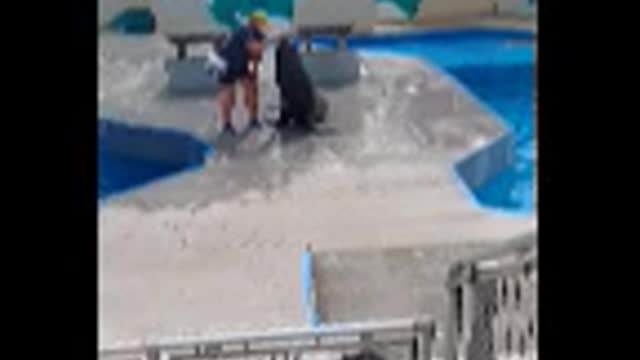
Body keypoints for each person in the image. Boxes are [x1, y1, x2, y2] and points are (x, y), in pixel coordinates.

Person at [215, 10, 270, 140]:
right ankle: (226, 124)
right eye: (261, 24)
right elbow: (253, 48)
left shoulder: (257, 34)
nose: (262, 27)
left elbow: (255, 57)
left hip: (239, 62)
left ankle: (253, 120)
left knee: (251, 89)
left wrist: (254, 72)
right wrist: (265, 45)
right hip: (226, 62)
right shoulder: (247, 31)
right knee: (228, 93)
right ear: (255, 23)